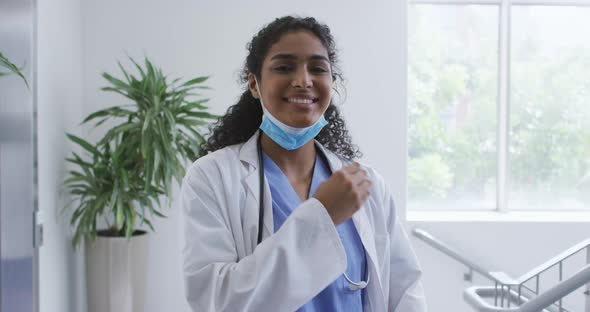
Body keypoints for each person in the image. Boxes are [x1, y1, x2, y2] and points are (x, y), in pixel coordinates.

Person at [181, 16, 426, 312]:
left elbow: (406, 292)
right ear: (254, 84)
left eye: (318, 68)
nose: (303, 81)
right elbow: (216, 301)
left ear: (332, 82)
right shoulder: (212, 177)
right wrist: (322, 214)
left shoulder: (364, 184)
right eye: (284, 67)